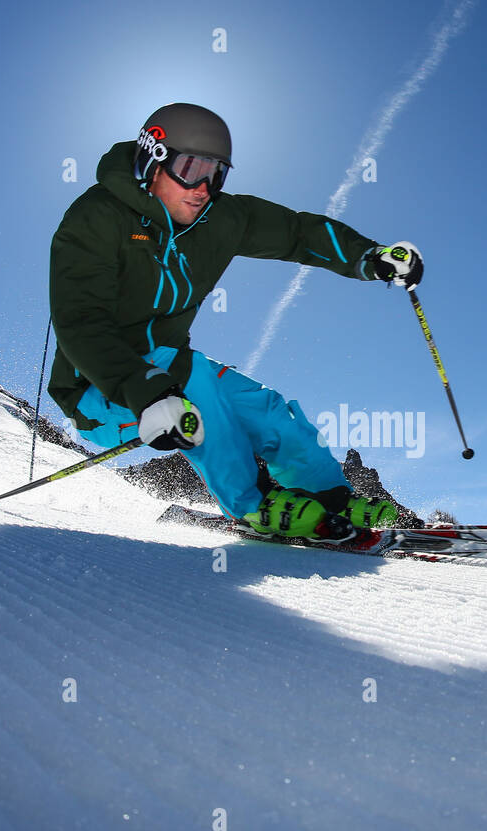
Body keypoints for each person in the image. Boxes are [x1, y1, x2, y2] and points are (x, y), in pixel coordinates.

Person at [47, 103, 423, 540]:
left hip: (175, 366)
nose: (204, 187)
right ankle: (253, 506)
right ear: (153, 158)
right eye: (191, 169)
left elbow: (297, 233)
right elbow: (81, 322)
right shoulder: (96, 218)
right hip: (100, 389)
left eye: (217, 174)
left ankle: (329, 498)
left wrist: (369, 256)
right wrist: (143, 390)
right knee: (196, 387)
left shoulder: (218, 219)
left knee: (269, 411)